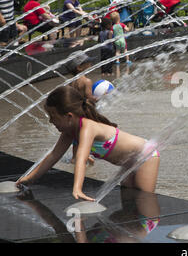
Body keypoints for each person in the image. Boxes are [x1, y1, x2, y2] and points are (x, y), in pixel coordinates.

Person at [16, 85, 161, 200]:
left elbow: (81, 158)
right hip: (129, 163)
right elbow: (54, 156)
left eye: (53, 116)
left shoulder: (87, 127)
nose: (50, 121)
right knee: (129, 196)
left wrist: (77, 188)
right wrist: (30, 178)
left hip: (145, 157)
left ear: (69, 116)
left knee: (144, 199)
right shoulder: (69, 131)